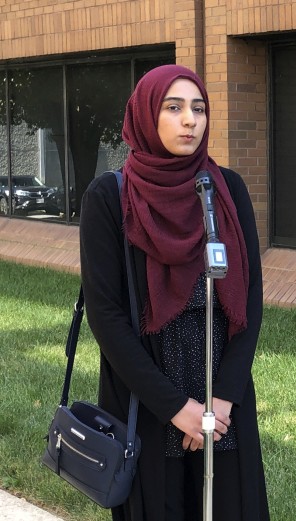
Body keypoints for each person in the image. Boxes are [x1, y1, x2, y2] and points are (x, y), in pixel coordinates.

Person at [79, 64, 269, 521]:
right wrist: (176, 408)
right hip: (146, 392)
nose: (190, 120)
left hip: (221, 390)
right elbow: (106, 317)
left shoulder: (226, 189)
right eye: (174, 107)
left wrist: (221, 400)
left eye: (199, 108)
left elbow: (251, 299)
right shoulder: (109, 197)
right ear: (146, 115)